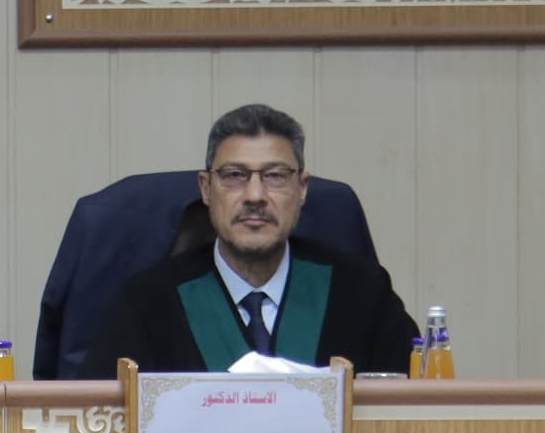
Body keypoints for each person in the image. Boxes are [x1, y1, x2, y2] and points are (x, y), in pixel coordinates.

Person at [81, 103, 420, 378]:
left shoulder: (363, 294)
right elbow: (99, 420)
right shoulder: (147, 303)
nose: (255, 195)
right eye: (234, 176)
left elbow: (412, 410)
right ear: (205, 189)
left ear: (302, 189)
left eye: (275, 176)